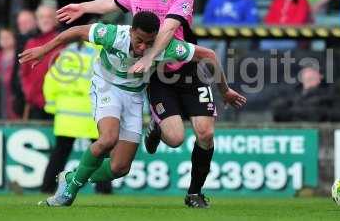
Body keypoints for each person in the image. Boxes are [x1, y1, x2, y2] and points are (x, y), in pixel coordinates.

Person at [55, 0, 242, 208]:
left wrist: (223, 89)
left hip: (188, 67)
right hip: (158, 74)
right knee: (176, 138)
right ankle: (155, 125)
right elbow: (116, 1)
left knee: (205, 133)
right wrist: (84, 7)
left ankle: (194, 194)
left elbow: (168, 28)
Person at [19, 11, 246, 207]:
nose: (143, 47)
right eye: (139, 40)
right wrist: (44, 49)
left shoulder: (165, 47)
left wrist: (224, 90)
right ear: (130, 31)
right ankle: (68, 193)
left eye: (149, 42)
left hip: (135, 96)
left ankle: (71, 177)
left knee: (120, 167)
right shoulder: (112, 34)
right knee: (108, 139)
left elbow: (209, 55)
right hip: (107, 87)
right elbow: (76, 31)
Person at [40, 41, 112, 195]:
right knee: (100, 151)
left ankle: (47, 187)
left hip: (67, 113)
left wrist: (53, 107)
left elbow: (50, 81)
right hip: (92, 112)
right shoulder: (100, 52)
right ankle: (104, 189)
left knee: (60, 153)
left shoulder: (66, 53)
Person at [20, 4, 61, 120]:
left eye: (49, 17)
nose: (45, 20)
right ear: (37, 21)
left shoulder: (62, 43)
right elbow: (24, 73)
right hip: (35, 104)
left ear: (55, 20)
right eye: (42, 17)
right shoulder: (30, 43)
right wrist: (29, 93)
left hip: (55, 104)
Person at [271, 66, 340, 122]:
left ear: (320, 77)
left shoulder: (331, 94)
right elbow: (278, 112)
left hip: (323, 133)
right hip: (293, 132)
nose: (309, 78)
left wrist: (320, 112)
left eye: (313, 76)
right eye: (307, 77)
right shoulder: (291, 94)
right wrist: (296, 112)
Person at [11, 9, 38, 117]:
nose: (22, 25)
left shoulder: (36, 40)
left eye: (26, 22)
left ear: (35, 22)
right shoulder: (17, 41)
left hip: (33, 95)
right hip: (19, 93)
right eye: (20, 23)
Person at [0, 29, 19, 120]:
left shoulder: (19, 55)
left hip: (12, 93)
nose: (4, 40)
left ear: (14, 39)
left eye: (7, 37)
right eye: (2, 38)